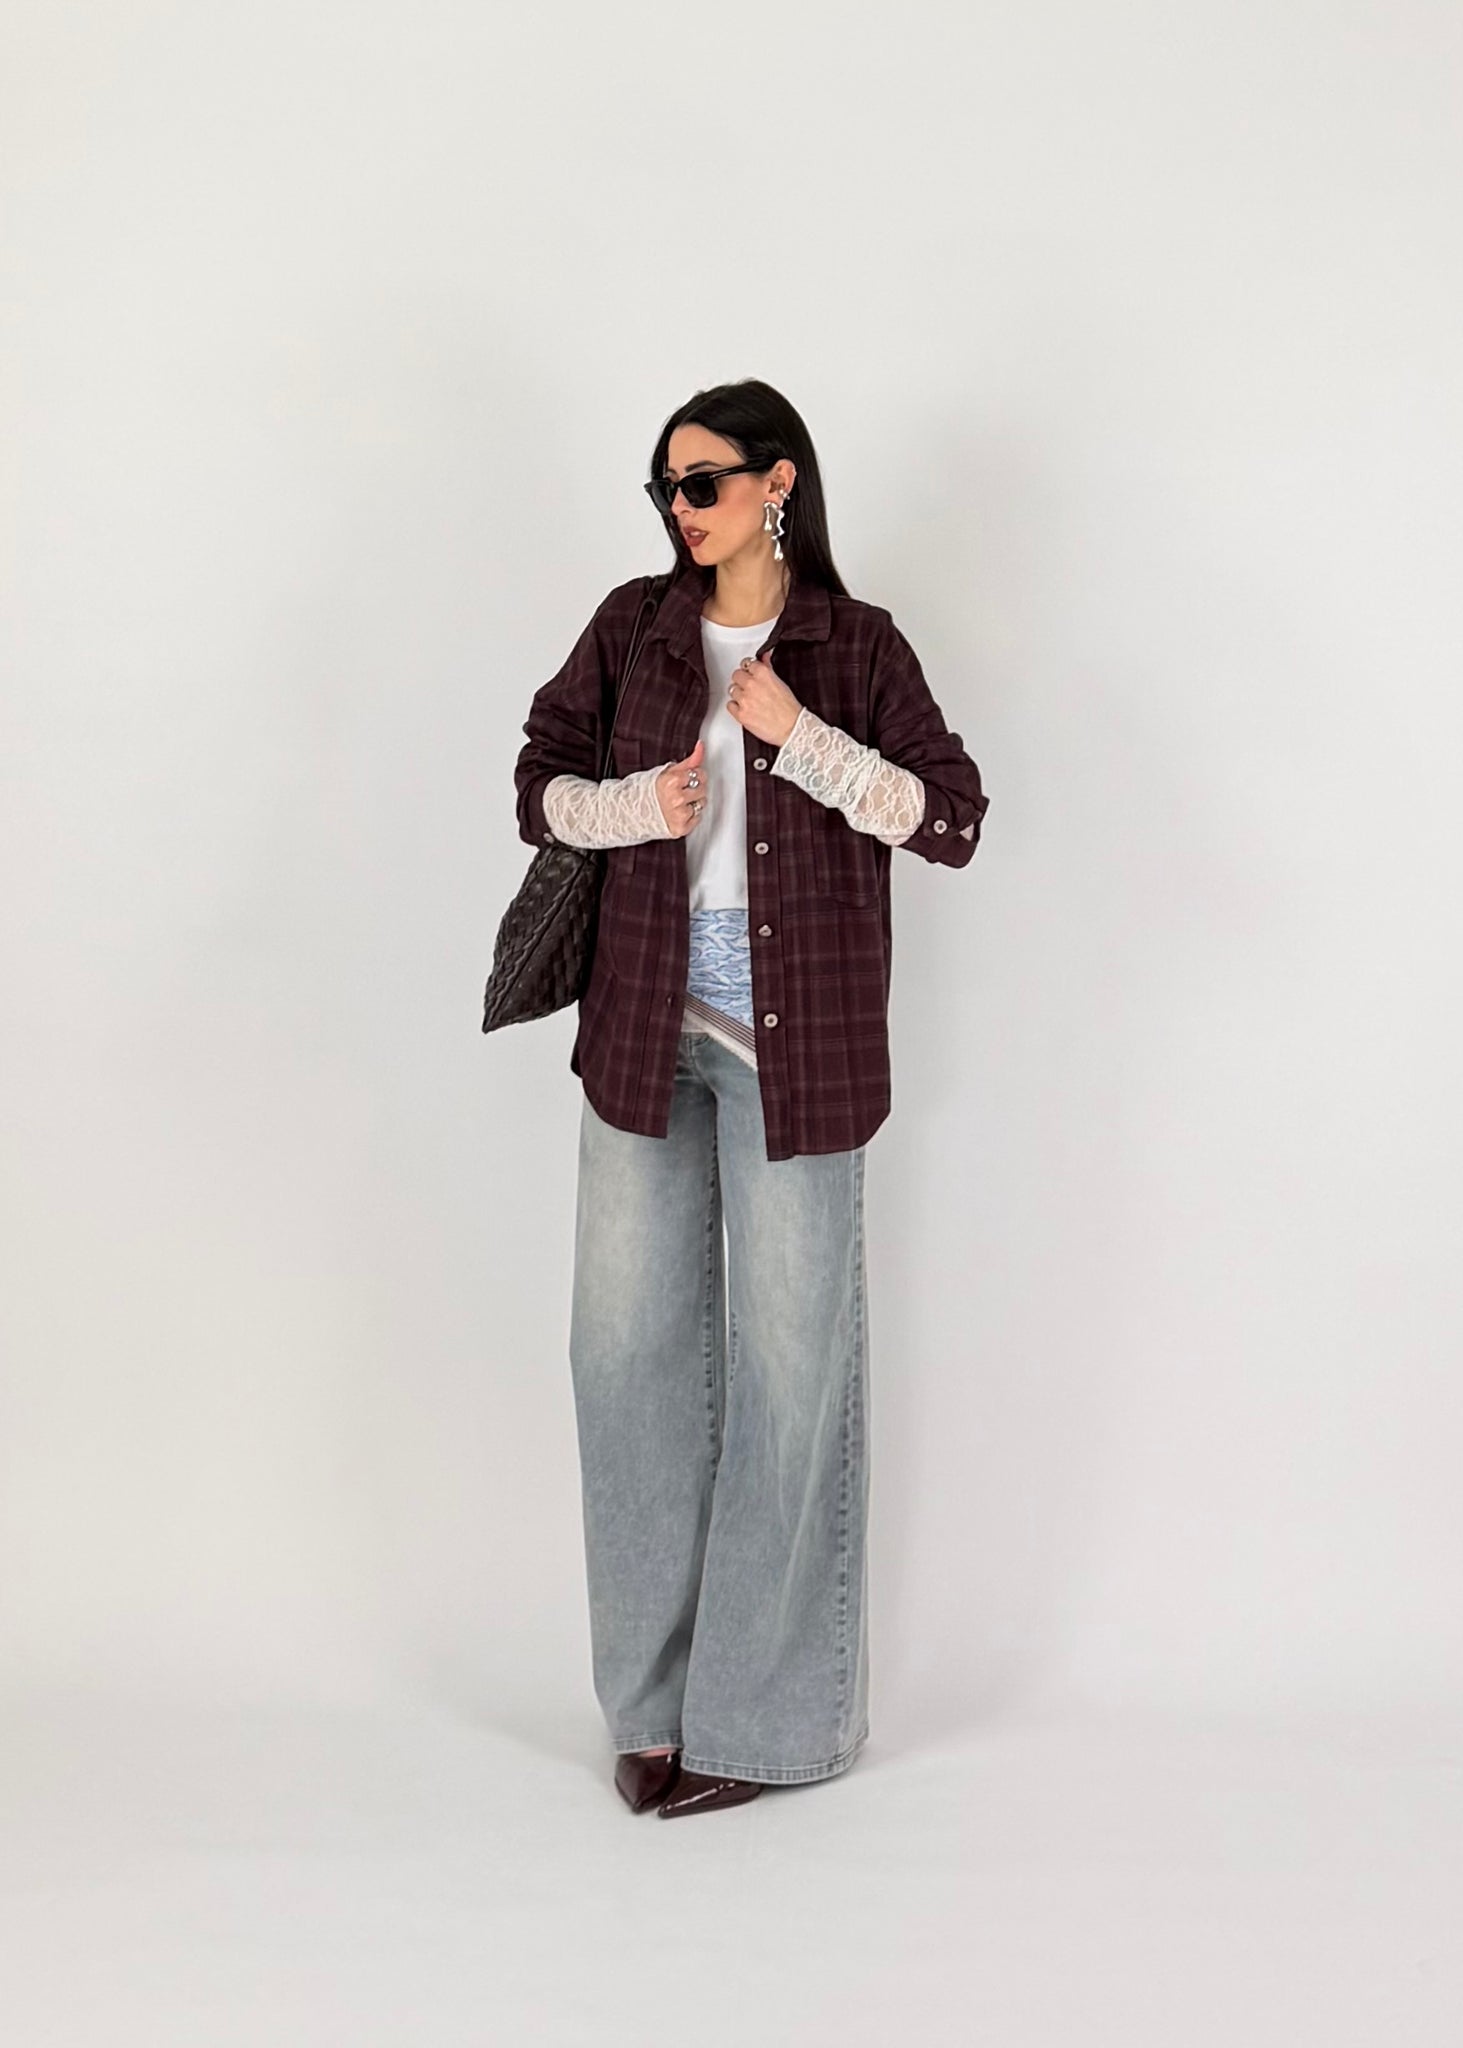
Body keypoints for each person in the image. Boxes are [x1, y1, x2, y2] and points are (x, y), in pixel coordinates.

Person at [513, 378, 990, 1818]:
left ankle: (765, 1722)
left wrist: (802, 739)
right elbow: (538, 781)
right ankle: (654, 1709)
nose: (682, 510)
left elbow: (953, 817)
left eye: (704, 483)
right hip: (641, 1031)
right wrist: (630, 807)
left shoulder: (857, 646)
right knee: (623, 1361)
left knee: (791, 1376)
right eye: (666, 488)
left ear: (778, 484)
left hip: (800, 1054)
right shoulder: (634, 628)